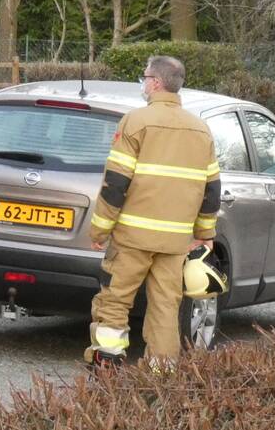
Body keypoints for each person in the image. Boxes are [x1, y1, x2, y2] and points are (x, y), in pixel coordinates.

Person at [86, 55, 221, 370]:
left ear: (156, 83)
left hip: (131, 237)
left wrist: (99, 231)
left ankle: (106, 366)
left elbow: (115, 183)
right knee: (164, 308)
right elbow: (211, 189)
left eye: (144, 77)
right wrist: (204, 234)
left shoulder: (135, 121)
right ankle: (161, 376)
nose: (143, 83)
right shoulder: (201, 130)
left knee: (114, 302)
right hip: (174, 242)